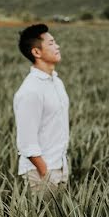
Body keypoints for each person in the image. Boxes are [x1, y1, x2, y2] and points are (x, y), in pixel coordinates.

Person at [13, 24, 70, 190]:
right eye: (51, 43)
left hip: (60, 166)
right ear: (36, 52)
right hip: (41, 173)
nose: (57, 46)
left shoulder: (56, 82)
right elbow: (26, 142)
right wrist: (45, 172)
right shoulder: (30, 91)